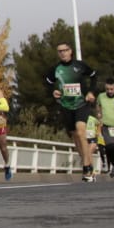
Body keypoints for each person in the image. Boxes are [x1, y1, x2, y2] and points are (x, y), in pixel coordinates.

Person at [43, 42, 99, 182]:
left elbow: (94, 76)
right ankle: (88, 163)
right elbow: (47, 82)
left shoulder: (80, 65)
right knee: (75, 136)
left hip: (81, 103)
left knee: (81, 131)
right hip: (66, 105)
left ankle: (86, 167)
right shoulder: (56, 69)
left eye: (65, 50)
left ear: (70, 51)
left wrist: (91, 92)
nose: (62, 53)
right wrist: (53, 91)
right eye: (60, 51)